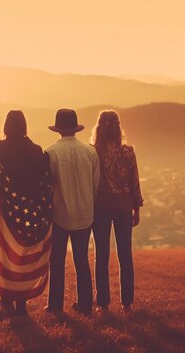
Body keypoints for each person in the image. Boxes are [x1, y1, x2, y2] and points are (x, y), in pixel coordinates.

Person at [0, 110, 51, 315]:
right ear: (24, 126)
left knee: (6, 254)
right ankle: (22, 300)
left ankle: (6, 297)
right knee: (24, 255)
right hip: (29, 212)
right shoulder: (36, 150)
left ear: (5, 126)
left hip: (5, 211)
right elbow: (43, 180)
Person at [45, 109, 100, 316]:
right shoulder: (90, 152)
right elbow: (96, 186)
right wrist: (89, 205)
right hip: (85, 214)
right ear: (75, 128)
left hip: (59, 215)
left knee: (57, 261)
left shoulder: (51, 153)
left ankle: (55, 305)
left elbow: (48, 187)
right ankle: (85, 305)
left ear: (58, 129)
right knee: (82, 259)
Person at [90, 110, 143, 314]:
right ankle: (127, 303)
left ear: (99, 128)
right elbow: (135, 183)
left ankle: (103, 303)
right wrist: (136, 210)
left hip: (101, 207)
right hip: (123, 206)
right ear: (118, 127)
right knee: (125, 255)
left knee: (101, 256)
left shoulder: (94, 152)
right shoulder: (128, 152)